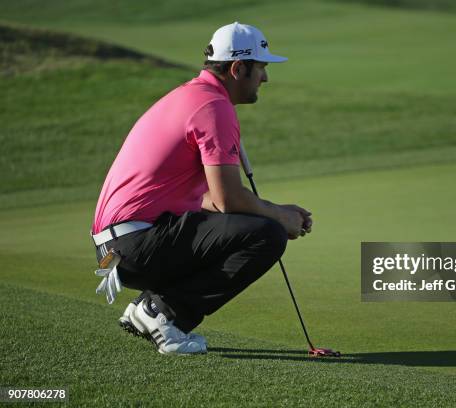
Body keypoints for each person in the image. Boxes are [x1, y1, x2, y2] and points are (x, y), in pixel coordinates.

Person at [90, 22, 312, 355]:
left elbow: (208, 200)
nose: (265, 78)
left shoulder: (191, 95)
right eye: (261, 68)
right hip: (134, 244)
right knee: (266, 235)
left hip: (114, 251)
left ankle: (148, 308)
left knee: (256, 224)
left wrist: (272, 209)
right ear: (238, 68)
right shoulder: (213, 107)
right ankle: (164, 315)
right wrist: (279, 216)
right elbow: (227, 200)